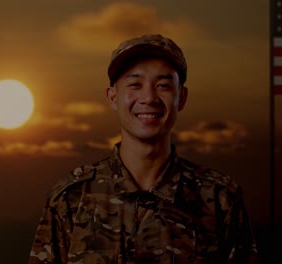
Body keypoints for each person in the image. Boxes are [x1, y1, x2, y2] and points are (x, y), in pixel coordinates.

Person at [28, 34, 258, 264]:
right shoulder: (70, 199)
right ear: (113, 97)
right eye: (135, 84)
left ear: (181, 98)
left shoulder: (220, 201)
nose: (148, 97)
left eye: (163, 85)